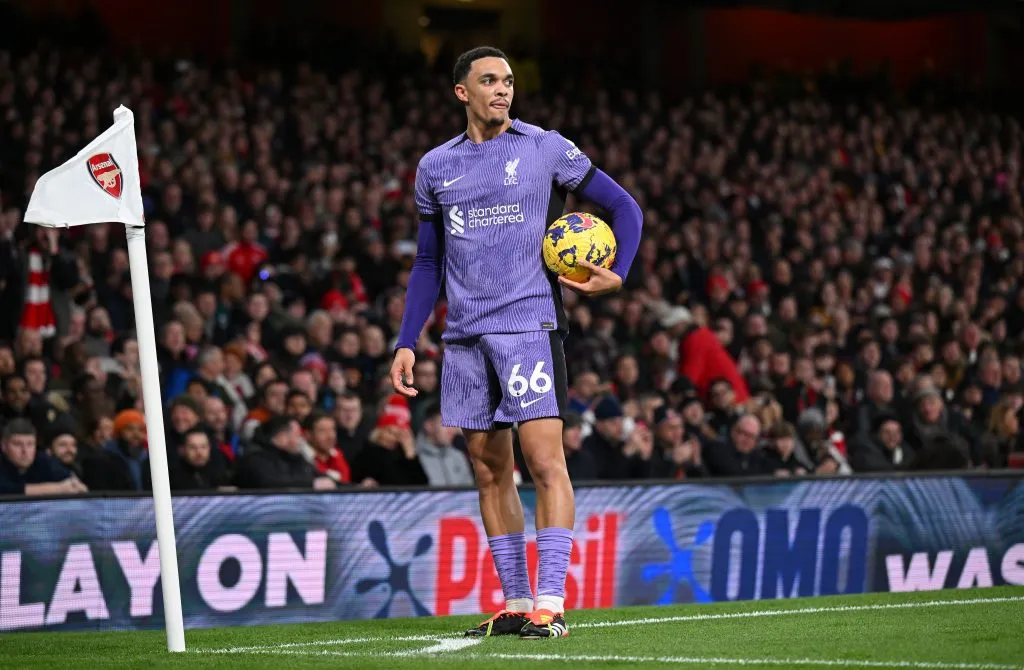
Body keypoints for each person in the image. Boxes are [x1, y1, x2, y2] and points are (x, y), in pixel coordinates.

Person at [389, 46, 642, 639]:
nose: (502, 90)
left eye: (507, 81)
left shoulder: (544, 147)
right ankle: (515, 601)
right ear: (462, 92)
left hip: (529, 325)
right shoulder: (435, 167)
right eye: (489, 81)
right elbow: (429, 262)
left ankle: (549, 604)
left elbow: (623, 207)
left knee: (545, 461)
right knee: (486, 470)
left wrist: (618, 273)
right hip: (464, 338)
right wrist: (407, 339)